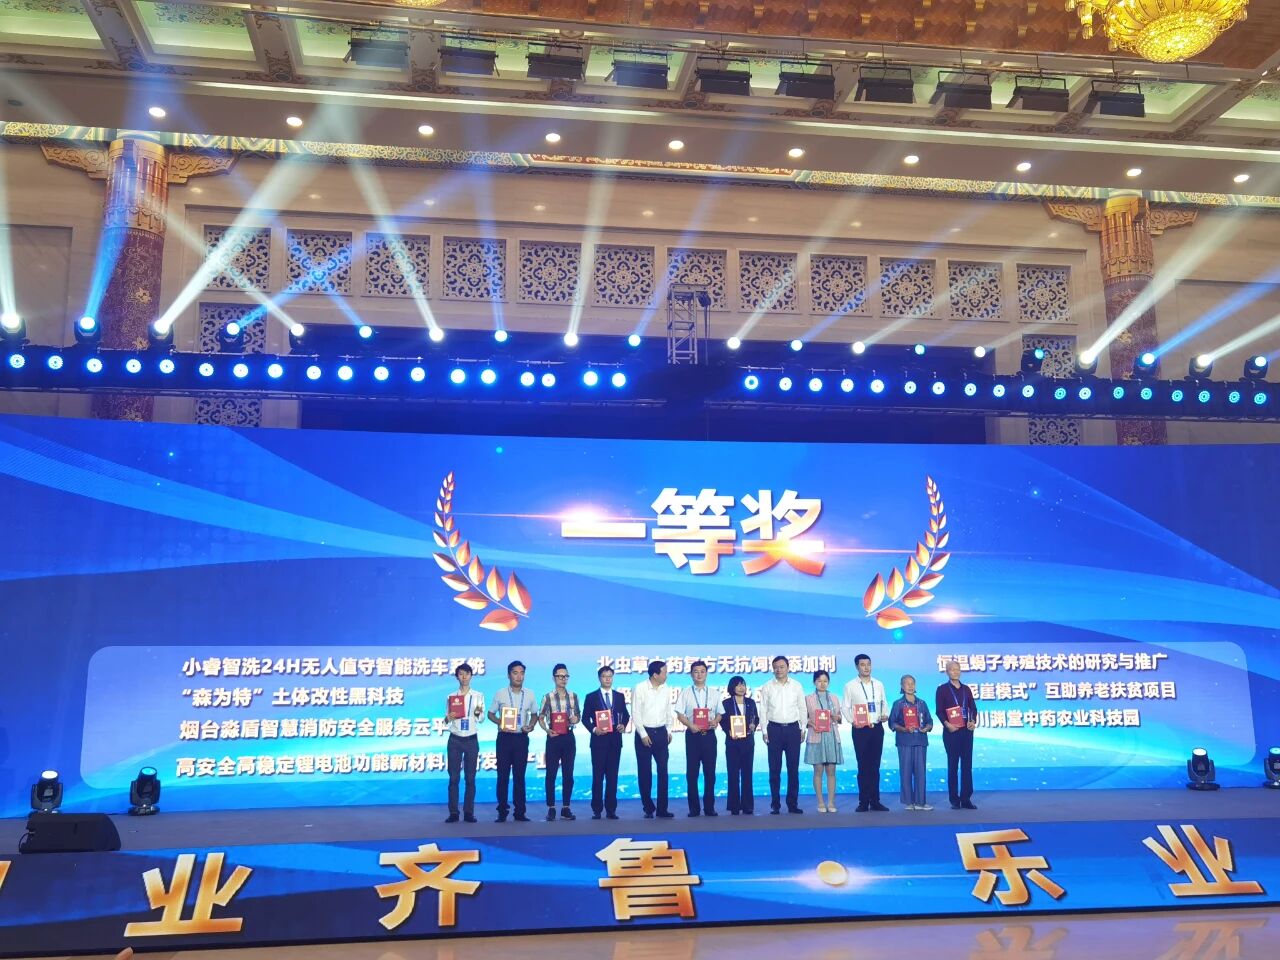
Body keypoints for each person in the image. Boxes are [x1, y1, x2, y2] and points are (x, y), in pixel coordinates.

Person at [487, 659, 538, 822]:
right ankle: (502, 811)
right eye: (515, 673)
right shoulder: (500, 693)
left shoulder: (530, 694)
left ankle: (520, 812)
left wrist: (531, 725)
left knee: (519, 776)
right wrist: (500, 723)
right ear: (509, 675)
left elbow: (535, 715)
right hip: (504, 739)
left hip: (521, 738)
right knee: (502, 776)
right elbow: (490, 714)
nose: (519, 676)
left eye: (522, 673)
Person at [757, 655, 806, 814]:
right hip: (774, 729)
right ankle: (775, 804)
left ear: (788, 668)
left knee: (793, 769)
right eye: (776, 667)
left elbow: (802, 707)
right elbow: (763, 710)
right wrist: (764, 731)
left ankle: (793, 804)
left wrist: (803, 728)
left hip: (793, 729)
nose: (779, 670)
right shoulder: (767, 686)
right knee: (774, 769)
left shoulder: (796, 686)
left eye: (782, 667)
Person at [842, 653, 890, 812]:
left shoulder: (879, 684)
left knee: (875, 766)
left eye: (868, 664)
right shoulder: (850, 685)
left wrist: (884, 714)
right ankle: (863, 802)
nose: (866, 667)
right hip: (860, 730)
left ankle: (875, 801)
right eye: (862, 665)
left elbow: (884, 702)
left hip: (877, 728)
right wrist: (852, 721)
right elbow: (845, 707)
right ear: (857, 667)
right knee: (863, 766)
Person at [583, 665, 630, 820]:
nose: (607, 679)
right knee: (598, 776)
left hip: (615, 740)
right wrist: (594, 729)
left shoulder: (619, 696)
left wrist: (623, 724)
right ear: (599, 678)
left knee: (612, 776)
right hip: (598, 740)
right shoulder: (591, 697)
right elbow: (585, 718)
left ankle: (611, 810)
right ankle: (597, 810)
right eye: (604, 676)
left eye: (610, 676)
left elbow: (626, 715)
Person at [676, 659, 721, 817]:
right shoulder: (686, 693)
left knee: (710, 773)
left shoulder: (714, 693)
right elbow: (680, 714)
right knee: (692, 774)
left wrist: (715, 721)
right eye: (696, 672)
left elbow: (720, 713)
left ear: (707, 673)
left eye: (702, 671)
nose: (699, 674)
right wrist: (690, 725)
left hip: (709, 736)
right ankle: (694, 809)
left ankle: (709, 808)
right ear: (691, 674)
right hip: (693, 736)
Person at [632, 660, 675, 819]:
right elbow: (636, 713)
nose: (666, 675)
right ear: (655, 675)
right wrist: (643, 734)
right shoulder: (640, 688)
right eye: (664, 672)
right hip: (644, 732)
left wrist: (668, 730)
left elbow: (668, 710)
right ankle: (648, 807)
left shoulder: (666, 688)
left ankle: (663, 809)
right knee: (645, 772)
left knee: (663, 772)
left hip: (661, 732)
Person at [538, 663, 580, 821]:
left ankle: (566, 808)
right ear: (554, 678)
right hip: (553, 737)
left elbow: (578, 715)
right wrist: (547, 730)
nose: (563, 679)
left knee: (568, 774)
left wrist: (576, 719)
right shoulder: (547, 697)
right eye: (560, 676)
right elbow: (541, 717)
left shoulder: (573, 696)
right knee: (551, 774)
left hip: (569, 737)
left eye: (566, 676)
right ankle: (551, 808)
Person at [444, 662, 485, 824]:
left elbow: (481, 719)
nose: (464, 677)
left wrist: (477, 712)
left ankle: (469, 812)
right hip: (455, 739)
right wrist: (448, 717)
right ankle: (453, 813)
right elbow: (445, 720)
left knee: (470, 778)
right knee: (454, 778)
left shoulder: (478, 696)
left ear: (471, 676)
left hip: (471, 739)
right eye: (461, 674)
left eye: (467, 674)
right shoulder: (451, 697)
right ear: (457, 677)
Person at [936, 659, 978, 810]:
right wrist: (947, 725)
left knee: (967, 765)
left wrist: (972, 721)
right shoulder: (942, 689)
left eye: (957, 669)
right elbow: (939, 711)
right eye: (952, 669)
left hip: (966, 731)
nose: (955, 672)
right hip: (951, 732)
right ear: (947, 672)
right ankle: (954, 800)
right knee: (953, 765)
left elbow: (973, 708)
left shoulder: (967, 689)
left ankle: (966, 798)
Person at [889, 674, 934, 810]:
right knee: (906, 772)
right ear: (902, 686)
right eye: (907, 683)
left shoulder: (922, 703)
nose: (910, 686)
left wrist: (927, 727)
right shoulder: (898, 704)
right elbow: (892, 723)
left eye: (912, 683)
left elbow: (930, 721)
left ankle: (921, 802)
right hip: (904, 742)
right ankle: (909, 802)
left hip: (920, 741)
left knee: (921, 773)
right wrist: (903, 729)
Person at [805, 669, 843, 813]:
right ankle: (820, 802)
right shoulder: (808, 698)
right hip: (816, 736)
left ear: (828, 682)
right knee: (818, 771)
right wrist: (811, 723)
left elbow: (839, 717)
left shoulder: (834, 698)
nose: (822, 684)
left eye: (825, 681)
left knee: (831, 771)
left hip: (831, 736)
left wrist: (836, 717)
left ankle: (831, 803)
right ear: (814, 682)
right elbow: (803, 717)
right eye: (819, 681)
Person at [719, 676, 759, 815]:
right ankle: (734, 806)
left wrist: (754, 725)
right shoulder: (726, 703)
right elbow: (722, 720)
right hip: (733, 743)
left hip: (748, 742)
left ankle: (748, 806)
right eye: (738, 685)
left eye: (743, 685)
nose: (741, 688)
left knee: (747, 774)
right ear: (732, 687)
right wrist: (728, 730)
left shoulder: (751, 702)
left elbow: (756, 718)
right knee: (733, 774)